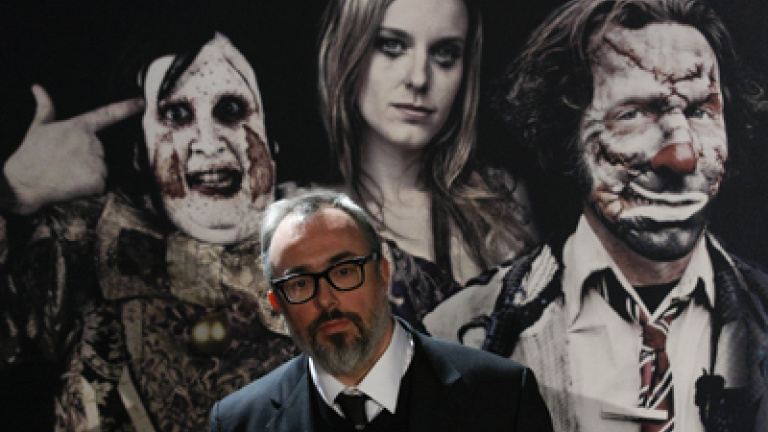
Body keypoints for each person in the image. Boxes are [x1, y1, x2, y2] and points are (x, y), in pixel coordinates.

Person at [425, 0, 768, 431]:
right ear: (566, 130)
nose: (682, 155)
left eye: (700, 111)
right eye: (634, 113)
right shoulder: (454, 337)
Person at [0, 32, 299, 431]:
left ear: (273, 138)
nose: (208, 143)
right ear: (140, 152)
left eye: (230, 110)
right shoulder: (80, 245)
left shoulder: (339, 245)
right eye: (176, 115)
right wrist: (16, 191)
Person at [208, 190, 553, 432]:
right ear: (277, 305)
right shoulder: (239, 422)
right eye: (299, 284)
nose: (326, 300)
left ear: (383, 275)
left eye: (344, 272)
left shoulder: (502, 397)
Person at [313, 0, 538, 326]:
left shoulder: (501, 206)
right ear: (347, 49)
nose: (419, 78)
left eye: (445, 54)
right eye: (392, 46)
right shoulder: (289, 217)